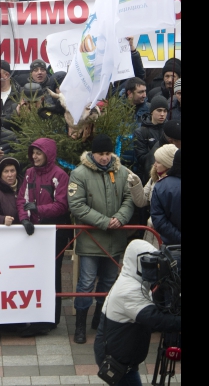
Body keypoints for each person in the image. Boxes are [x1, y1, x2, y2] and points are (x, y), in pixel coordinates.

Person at [68, 134, 134, 344]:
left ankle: (100, 318)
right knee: (86, 282)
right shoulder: (79, 174)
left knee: (108, 281)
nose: (104, 158)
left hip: (115, 239)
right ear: (93, 154)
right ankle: (80, 325)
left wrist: (120, 218)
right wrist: (105, 221)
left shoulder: (122, 172)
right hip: (91, 240)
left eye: (107, 154)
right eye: (100, 154)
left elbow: (129, 198)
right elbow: (76, 205)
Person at [93, 239, 182, 386]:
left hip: (121, 356)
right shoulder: (129, 291)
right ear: (138, 263)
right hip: (116, 362)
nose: (153, 267)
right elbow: (157, 320)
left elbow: (155, 306)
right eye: (149, 262)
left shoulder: (134, 281)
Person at [17, 138, 71, 336]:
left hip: (54, 232)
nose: (34, 156)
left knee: (52, 275)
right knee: (35, 274)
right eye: (33, 153)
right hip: (34, 232)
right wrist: (24, 219)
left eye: (38, 153)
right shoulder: (30, 173)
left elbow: (62, 205)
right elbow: (22, 199)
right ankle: (38, 318)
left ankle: (49, 320)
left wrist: (38, 210)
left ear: (48, 154)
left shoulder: (60, 175)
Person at [133, 96, 169, 184]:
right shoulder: (141, 132)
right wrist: (159, 144)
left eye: (165, 111)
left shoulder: (169, 129)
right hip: (148, 176)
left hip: (168, 175)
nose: (162, 114)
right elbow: (142, 158)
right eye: (159, 110)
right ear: (152, 111)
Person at [150, 148, 181, 245]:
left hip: (172, 247)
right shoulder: (161, 185)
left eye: (158, 162)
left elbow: (159, 220)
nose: (155, 165)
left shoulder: (161, 186)